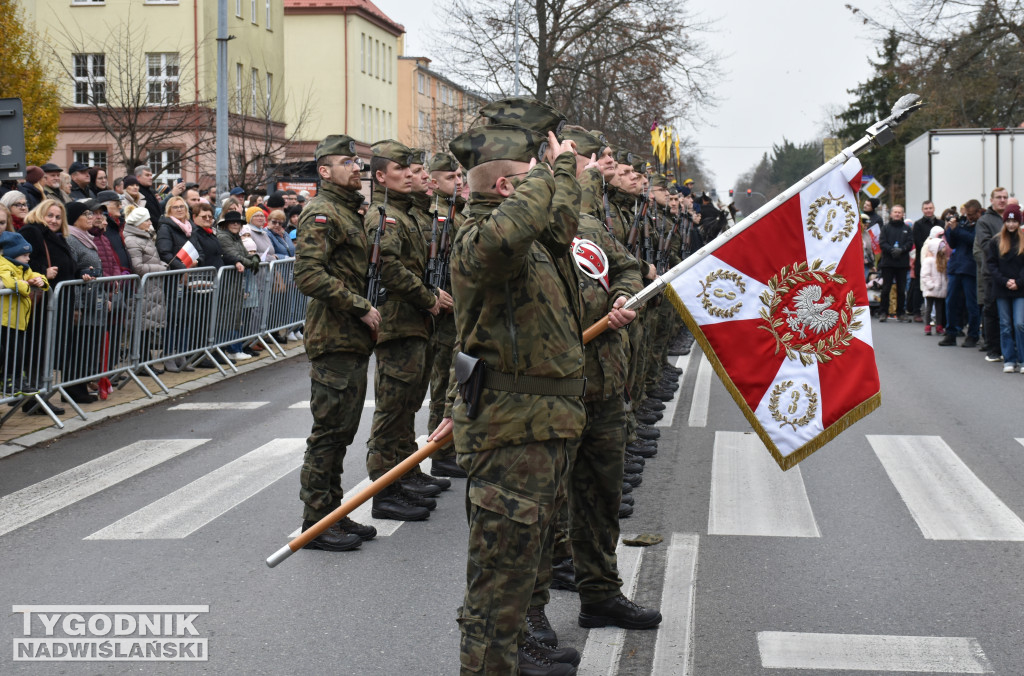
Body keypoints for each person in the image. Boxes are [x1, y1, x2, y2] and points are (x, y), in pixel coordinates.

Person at [433, 123, 588, 676]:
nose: (540, 186)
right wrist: (550, 171)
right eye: (529, 177)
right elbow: (512, 230)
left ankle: (517, 650)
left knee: (521, 567)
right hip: (509, 432)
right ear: (506, 189)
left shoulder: (530, 239)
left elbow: (561, 223)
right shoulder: (480, 240)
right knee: (496, 581)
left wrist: (561, 171)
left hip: (539, 425)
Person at [293, 134, 381, 552]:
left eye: (357, 162)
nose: (356, 168)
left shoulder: (349, 211)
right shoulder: (321, 212)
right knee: (328, 434)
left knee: (342, 432)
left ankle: (333, 513)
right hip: (334, 335)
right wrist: (359, 306)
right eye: (347, 162)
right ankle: (316, 522)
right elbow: (308, 275)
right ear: (324, 171)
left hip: (351, 337)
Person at [364, 140, 449, 521]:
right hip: (398, 323)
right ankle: (384, 491)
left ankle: (404, 473)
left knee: (407, 407)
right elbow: (389, 267)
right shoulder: (385, 216)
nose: (412, 176)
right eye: (402, 169)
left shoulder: (407, 213)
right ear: (382, 176)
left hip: (415, 322)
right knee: (392, 411)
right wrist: (428, 297)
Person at [423, 152, 466, 479]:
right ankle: (441, 452)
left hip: (460, 310)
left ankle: (450, 448)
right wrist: (437, 293)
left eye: (460, 176)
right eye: (452, 178)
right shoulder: (437, 217)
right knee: (443, 385)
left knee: (455, 380)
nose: (459, 181)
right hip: (445, 314)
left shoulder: (456, 213)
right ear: (434, 183)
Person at [64, 200, 107, 404]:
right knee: (79, 348)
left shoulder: (86, 239)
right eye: (86, 214)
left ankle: (79, 386)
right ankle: (74, 389)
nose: (91, 217)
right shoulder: (71, 239)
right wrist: (76, 306)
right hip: (83, 304)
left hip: (93, 302)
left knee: (88, 347)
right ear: (74, 219)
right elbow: (73, 273)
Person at [0, 231, 49, 394]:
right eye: (25, 255)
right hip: (6, 320)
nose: (28, 259)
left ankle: (17, 379)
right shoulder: (4, 265)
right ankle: (8, 380)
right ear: (14, 254)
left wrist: (41, 281)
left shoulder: (23, 268)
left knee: (18, 353)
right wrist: (27, 285)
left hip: (19, 320)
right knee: (9, 353)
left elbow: (37, 275)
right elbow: (10, 282)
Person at [122, 207, 167, 374]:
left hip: (151, 288)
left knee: (147, 327)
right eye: (146, 220)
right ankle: (140, 363)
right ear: (139, 223)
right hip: (142, 288)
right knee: (140, 326)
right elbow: (138, 267)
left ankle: (145, 362)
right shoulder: (133, 240)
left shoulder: (144, 237)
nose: (149, 222)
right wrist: (161, 268)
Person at [985, 204, 1024, 373]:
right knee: (1005, 324)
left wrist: (1018, 282)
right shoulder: (996, 241)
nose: (1011, 224)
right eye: (1008, 221)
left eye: (1014, 221)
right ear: (1004, 222)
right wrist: (1005, 281)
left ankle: (1022, 360)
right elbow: (992, 264)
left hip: (1020, 289)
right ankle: (1009, 359)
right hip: (1002, 288)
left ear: (1019, 222)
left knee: (1020, 324)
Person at [216, 210, 260, 360]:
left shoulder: (235, 237)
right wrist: (251, 262)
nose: (235, 224)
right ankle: (232, 349)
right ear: (226, 224)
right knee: (228, 316)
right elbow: (235, 256)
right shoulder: (224, 237)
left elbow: (244, 255)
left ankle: (236, 348)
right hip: (227, 283)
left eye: (238, 222)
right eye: (232, 222)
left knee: (235, 316)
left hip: (236, 282)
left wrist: (254, 258)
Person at [940, 200, 982, 346]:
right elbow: (952, 243)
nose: (969, 217)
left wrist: (956, 229)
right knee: (951, 302)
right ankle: (950, 332)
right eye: (967, 214)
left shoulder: (980, 224)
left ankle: (973, 335)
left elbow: (973, 240)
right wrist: (949, 230)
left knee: (971, 304)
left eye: (971, 215)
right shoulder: (962, 223)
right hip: (956, 267)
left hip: (970, 268)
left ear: (978, 212)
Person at [975, 187, 1009, 362]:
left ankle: (1010, 349)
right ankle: (993, 349)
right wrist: (1008, 241)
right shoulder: (984, 221)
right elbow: (986, 245)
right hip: (992, 274)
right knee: (992, 311)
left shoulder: (1012, 218)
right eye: (999, 197)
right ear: (991, 200)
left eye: (1005, 197)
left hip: (1013, 274)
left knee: (1011, 315)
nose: (1002, 200)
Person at [877, 204, 913, 321]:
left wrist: (901, 250)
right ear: (891, 214)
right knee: (886, 289)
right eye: (895, 212)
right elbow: (882, 243)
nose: (897, 214)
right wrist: (892, 250)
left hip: (902, 263)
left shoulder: (907, 229)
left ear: (903, 214)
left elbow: (910, 243)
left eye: (899, 212)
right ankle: (883, 312)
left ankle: (901, 313)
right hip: (888, 262)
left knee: (901, 289)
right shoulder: (885, 228)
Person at [909, 201, 941, 321]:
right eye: (926, 208)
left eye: (930, 208)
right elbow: (918, 242)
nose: (928, 210)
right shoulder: (918, 224)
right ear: (922, 210)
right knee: (919, 286)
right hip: (922, 259)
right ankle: (917, 312)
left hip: (939, 259)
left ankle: (937, 314)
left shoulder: (940, 223)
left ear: (934, 208)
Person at [920, 224, 948, 336]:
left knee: (939, 309)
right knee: (929, 308)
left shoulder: (943, 261)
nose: (944, 249)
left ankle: (939, 325)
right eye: (942, 247)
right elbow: (925, 275)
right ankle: (928, 325)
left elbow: (944, 275)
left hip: (941, 290)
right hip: (931, 289)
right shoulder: (929, 260)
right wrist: (931, 285)